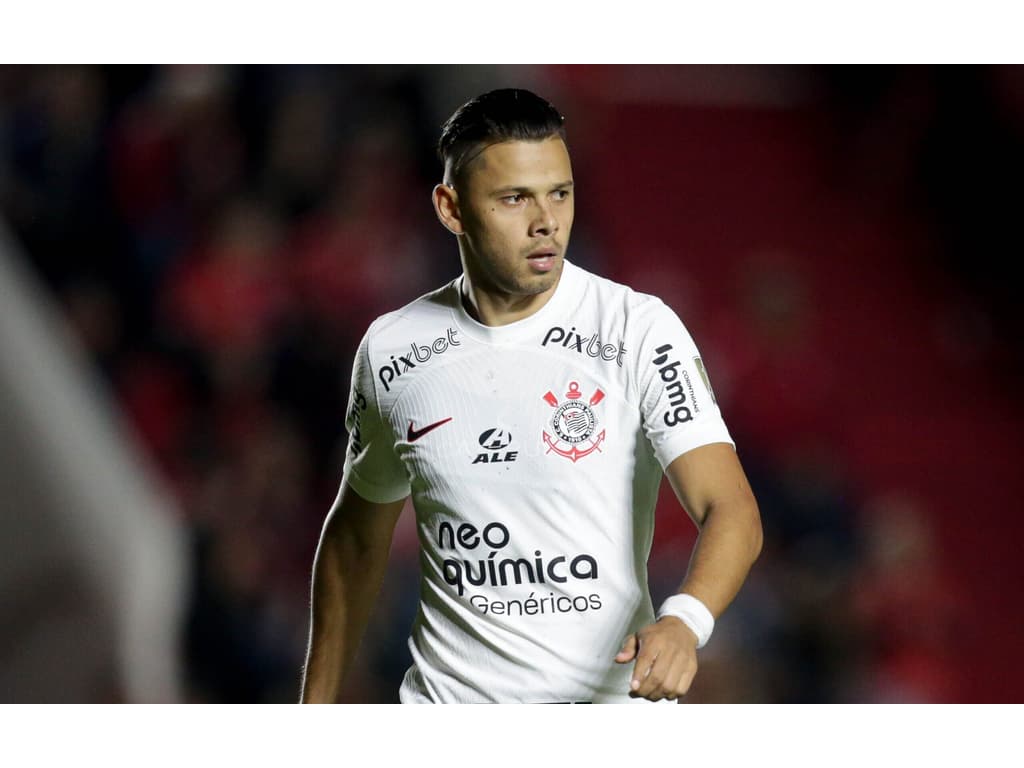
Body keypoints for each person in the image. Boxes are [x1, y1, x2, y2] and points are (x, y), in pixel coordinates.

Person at [300, 88, 762, 704]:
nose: (546, 221)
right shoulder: (393, 350)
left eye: (560, 193)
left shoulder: (636, 329)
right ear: (451, 207)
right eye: (515, 198)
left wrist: (685, 620)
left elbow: (733, 510)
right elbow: (355, 538)